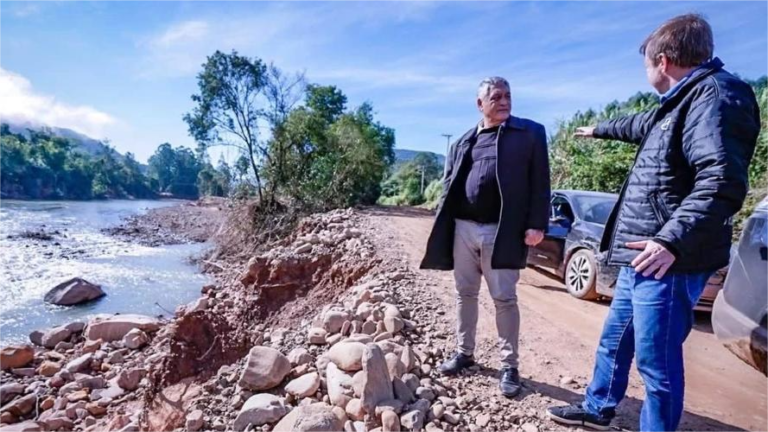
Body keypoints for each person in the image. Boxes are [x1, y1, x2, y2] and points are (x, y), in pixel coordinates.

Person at [547, 14, 761, 431]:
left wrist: (670, 241)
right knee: (615, 340)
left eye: (646, 63)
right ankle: (597, 406)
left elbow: (721, 181)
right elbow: (638, 124)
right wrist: (598, 129)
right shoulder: (682, 102)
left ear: (662, 61)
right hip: (644, 253)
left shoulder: (717, 97)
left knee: (656, 361)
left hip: (668, 259)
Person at [420, 76, 551, 397]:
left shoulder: (530, 133)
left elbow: (541, 181)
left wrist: (537, 223)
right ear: (480, 104)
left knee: (504, 298)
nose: (504, 101)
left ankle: (509, 366)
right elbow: (449, 185)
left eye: (508, 95)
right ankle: (464, 353)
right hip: (463, 228)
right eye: (496, 97)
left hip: (502, 230)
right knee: (464, 293)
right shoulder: (463, 141)